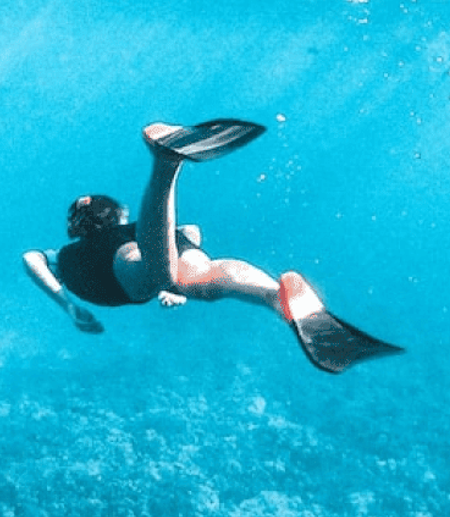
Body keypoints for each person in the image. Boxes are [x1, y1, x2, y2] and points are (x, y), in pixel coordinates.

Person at [21, 119, 403, 374]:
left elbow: (30, 257)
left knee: (159, 273)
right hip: (157, 238)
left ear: (77, 227)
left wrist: (68, 305)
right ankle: (276, 296)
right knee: (200, 277)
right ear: (116, 216)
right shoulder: (127, 230)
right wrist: (174, 275)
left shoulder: (70, 253)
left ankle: (166, 163)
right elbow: (192, 232)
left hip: (110, 268)